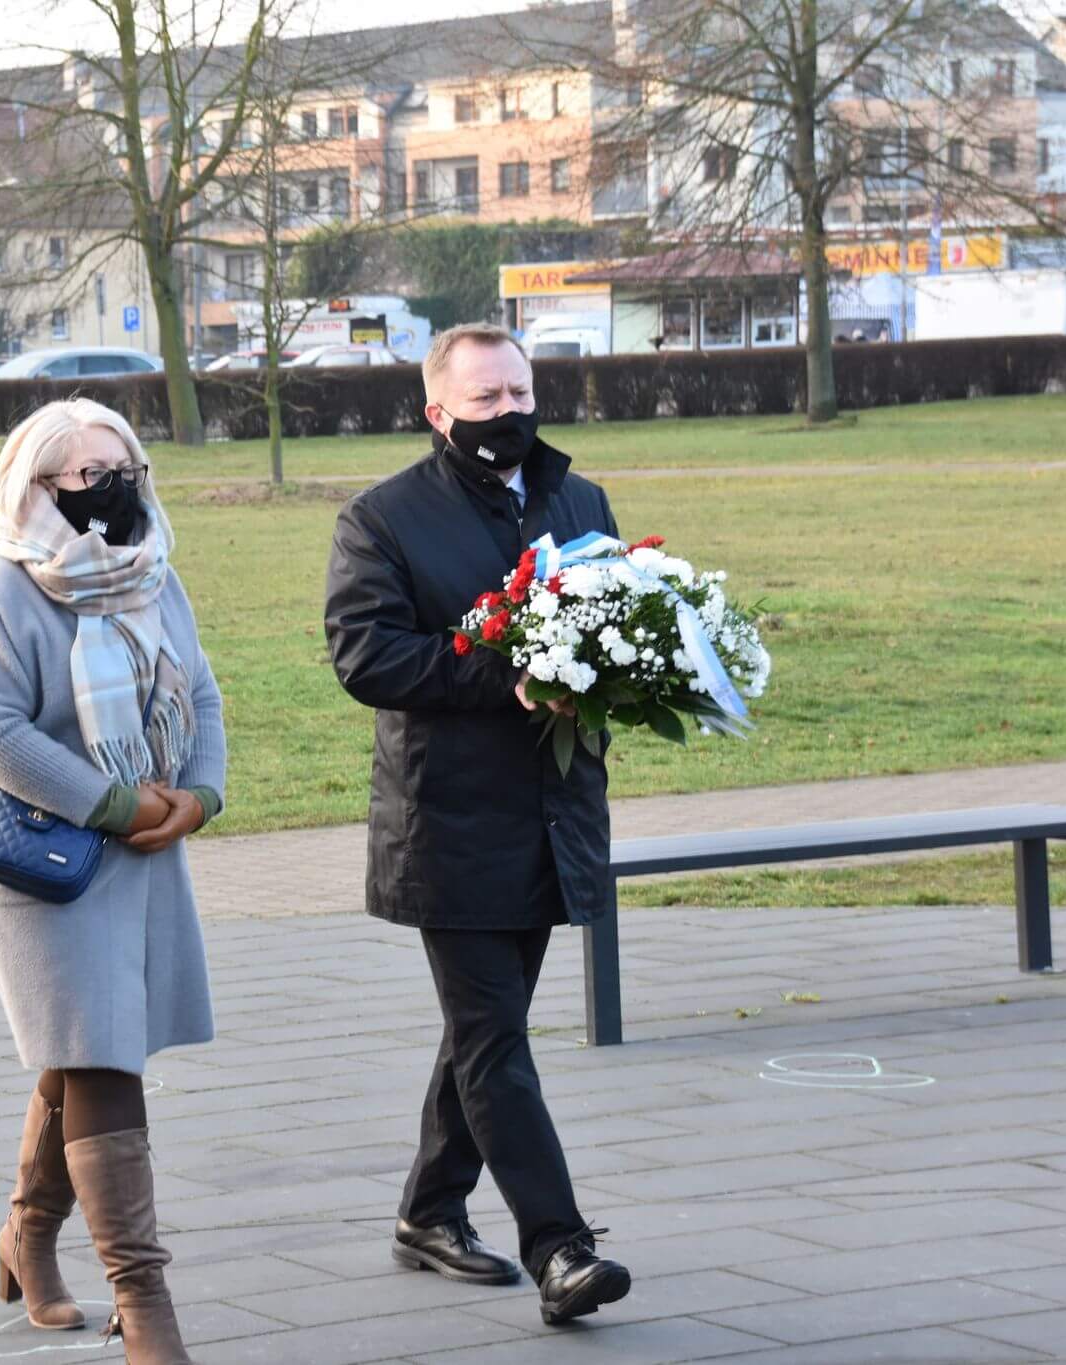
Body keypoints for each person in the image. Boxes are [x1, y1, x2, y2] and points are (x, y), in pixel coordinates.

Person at [323, 324, 632, 1327]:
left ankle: (427, 1210)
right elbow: (366, 658)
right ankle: (561, 1248)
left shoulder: (578, 500)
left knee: (479, 1032)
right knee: (494, 1037)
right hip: (446, 822)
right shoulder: (381, 519)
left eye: (516, 392)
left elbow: (616, 623)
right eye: (483, 398)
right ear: (436, 411)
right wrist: (507, 677)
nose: (505, 412)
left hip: (552, 812)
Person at [0, 398, 226, 1365]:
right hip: (46, 866)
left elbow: (205, 688)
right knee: (106, 1060)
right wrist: (118, 806)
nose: (114, 485)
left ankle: (26, 1230)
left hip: (146, 850)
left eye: (126, 466)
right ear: (37, 486)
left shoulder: (156, 576)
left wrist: (201, 796)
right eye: (88, 472)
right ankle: (144, 1303)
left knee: (83, 1050)